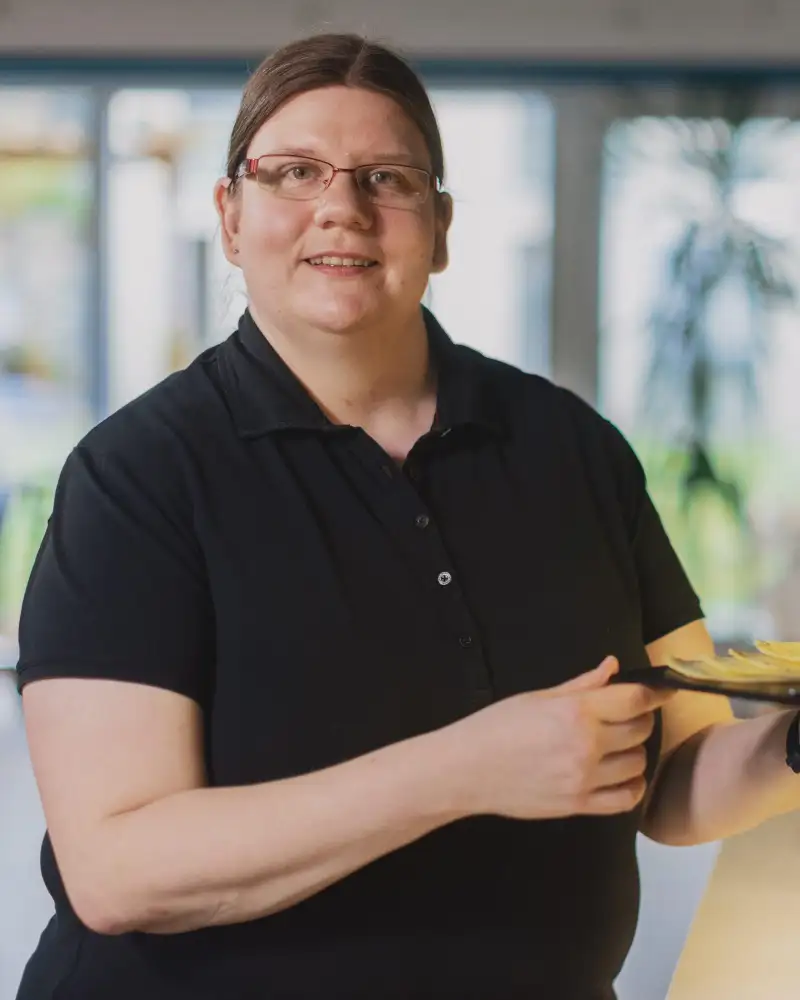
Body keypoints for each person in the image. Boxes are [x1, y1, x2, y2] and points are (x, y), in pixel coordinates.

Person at [13, 33, 800, 1000]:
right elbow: (115, 870)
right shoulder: (138, 477)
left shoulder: (572, 449)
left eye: (386, 178)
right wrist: (466, 769)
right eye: (292, 172)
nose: (340, 207)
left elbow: (677, 780)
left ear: (440, 225)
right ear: (230, 216)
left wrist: (788, 747)